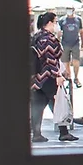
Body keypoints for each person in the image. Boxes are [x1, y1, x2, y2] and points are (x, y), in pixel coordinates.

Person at [30, 12, 78, 143]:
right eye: (55, 22)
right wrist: (58, 74)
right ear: (50, 23)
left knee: (39, 105)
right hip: (49, 76)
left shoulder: (37, 36)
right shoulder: (48, 38)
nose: (57, 25)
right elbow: (50, 58)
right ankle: (63, 132)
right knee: (59, 102)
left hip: (38, 77)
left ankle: (37, 133)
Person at [58, 7, 83, 88]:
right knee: (66, 62)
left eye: (71, 9)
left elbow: (81, 32)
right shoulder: (62, 20)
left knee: (76, 61)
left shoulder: (78, 19)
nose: (69, 11)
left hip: (75, 43)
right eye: (68, 9)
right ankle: (68, 78)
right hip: (65, 43)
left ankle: (76, 78)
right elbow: (59, 33)